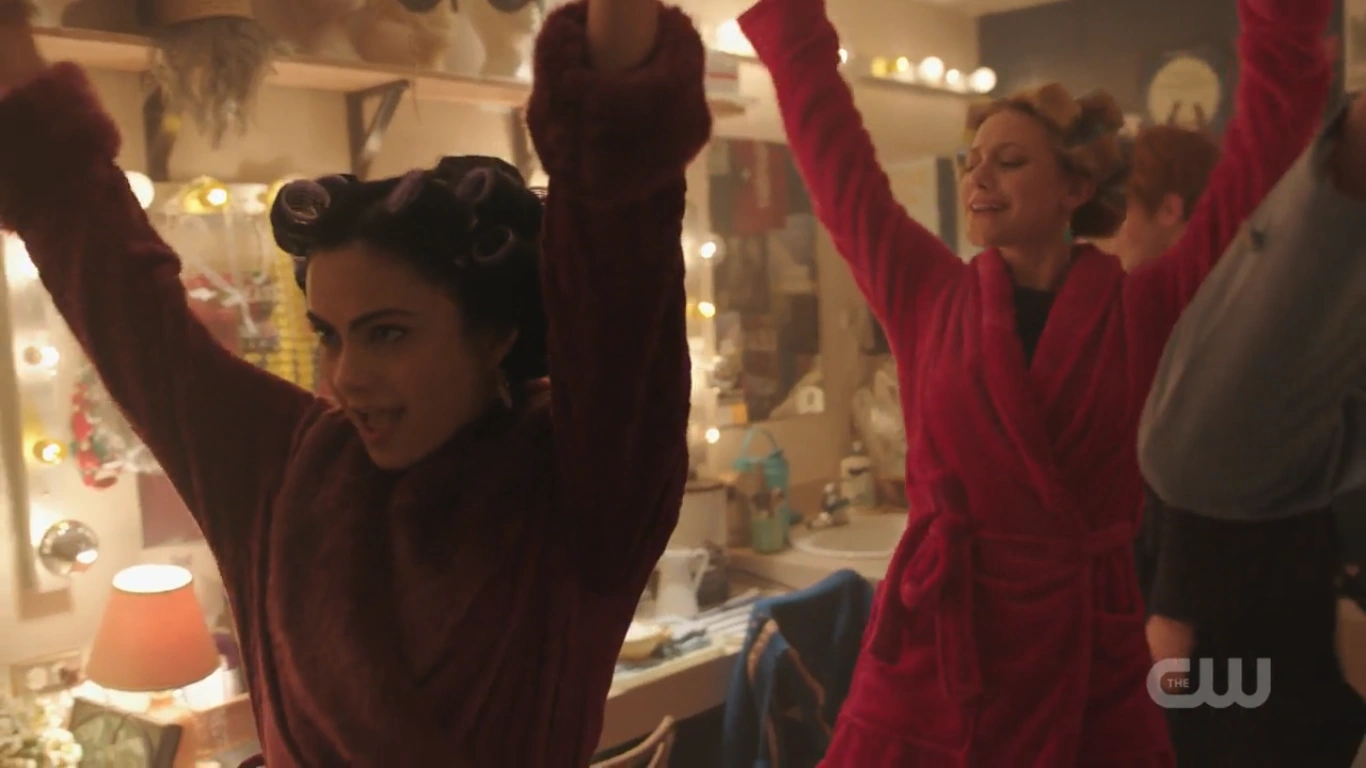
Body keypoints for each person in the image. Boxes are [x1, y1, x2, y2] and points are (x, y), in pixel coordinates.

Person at [0, 0, 710, 763]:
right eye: (329, 335)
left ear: (494, 335)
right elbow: (113, 277)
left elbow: (620, 254)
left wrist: (616, 75)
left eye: (387, 333)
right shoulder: (283, 472)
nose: (346, 378)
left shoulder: (581, 487)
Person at [737, 0, 1333, 762]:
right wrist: (794, 27)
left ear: (1074, 189)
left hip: (1086, 654)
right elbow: (837, 161)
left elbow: (1257, 164)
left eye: (1010, 161)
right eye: (972, 160)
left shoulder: (1143, 310)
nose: (978, 176)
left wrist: (1286, 20)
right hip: (937, 659)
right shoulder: (926, 294)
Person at [1114, 117, 1366, 767]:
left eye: (1120, 208)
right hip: (1273, 605)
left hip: (1221, 616)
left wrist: (1173, 609)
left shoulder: (1164, 304)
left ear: (1170, 209)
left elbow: (1196, 462)